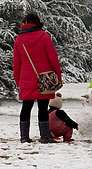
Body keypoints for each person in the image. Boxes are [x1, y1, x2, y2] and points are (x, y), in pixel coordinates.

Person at [13, 13, 63, 143]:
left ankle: (24, 137)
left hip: (26, 77)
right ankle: (45, 137)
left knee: (26, 107)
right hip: (44, 78)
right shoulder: (44, 36)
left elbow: (16, 62)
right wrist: (58, 75)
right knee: (43, 107)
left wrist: (17, 79)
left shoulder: (19, 39)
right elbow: (53, 58)